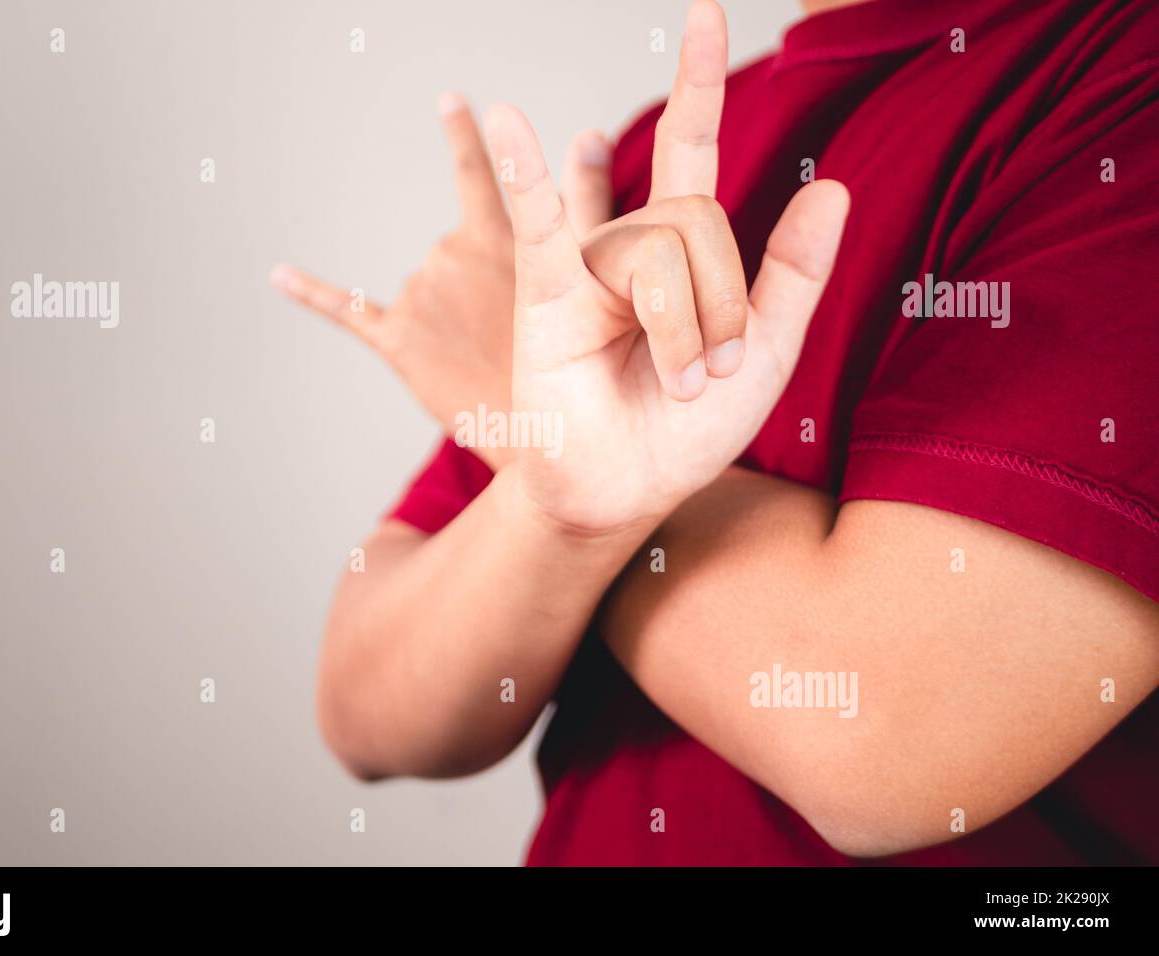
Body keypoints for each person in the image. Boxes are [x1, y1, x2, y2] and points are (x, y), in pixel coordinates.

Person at [270, 0, 1159, 864]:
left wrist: (506, 409)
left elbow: (880, 737)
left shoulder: (1123, 76)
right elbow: (364, 708)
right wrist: (563, 501)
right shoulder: (654, 166)